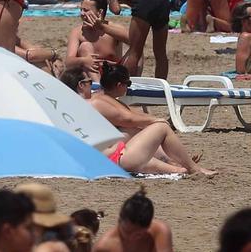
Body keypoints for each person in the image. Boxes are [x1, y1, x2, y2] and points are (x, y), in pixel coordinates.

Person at [69, 62, 215, 175]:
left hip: (109, 159)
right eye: (128, 83)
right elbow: (128, 118)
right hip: (116, 160)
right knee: (160, 128)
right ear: (81, 85)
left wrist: (152, 121)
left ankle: (179, 166)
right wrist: (158, 121)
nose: (92, 84)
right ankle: (193, 168)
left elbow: (132, 117)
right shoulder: (96, 102)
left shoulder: (87, 103)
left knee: (137, 132)